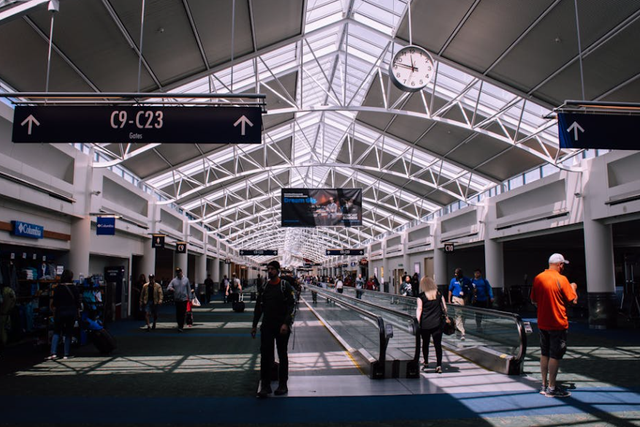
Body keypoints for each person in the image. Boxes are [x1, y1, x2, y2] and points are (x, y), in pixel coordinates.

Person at [530, 253, 578, 398]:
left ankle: (544, 384)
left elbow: (533, 300)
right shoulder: (561, 279)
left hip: (542, 322)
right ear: (560, 265)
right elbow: (573, 300)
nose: (563, 267)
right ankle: (552, 387)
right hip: (557, 323)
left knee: (544, 353)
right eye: (563, 265)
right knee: (555, 355)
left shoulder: (538, 278)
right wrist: (573, 287)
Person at [251, 260, 296, 398]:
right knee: (265, 356)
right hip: (267, 326)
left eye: (272, 269)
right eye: (268, 269)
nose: (269, 271)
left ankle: (283, 384)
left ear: (278, 270)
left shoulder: (285, 286)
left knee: (282, 355)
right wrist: (254, 325)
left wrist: (286, 323)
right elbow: (258, 308)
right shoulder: (264, 287)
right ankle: (266, 386)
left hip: (281, 326)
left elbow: (292, 306)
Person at [416, 276, 447, 373]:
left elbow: (420, 309)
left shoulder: (421, 296)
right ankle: (439, 365)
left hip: (425, 324)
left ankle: (425, 362)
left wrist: (418, 321)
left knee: (425, 343)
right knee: (438, 345)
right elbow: (445, 308)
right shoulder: (439, 295)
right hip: (437, 323)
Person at [47, 269, 81, 360]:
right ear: (71, 278)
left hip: (60, 312)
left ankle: (53, 352)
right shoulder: (75, 288)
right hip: (71, 312)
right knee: (68, 333)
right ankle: (66, 353)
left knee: (57, 331)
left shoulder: (58, 288)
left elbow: (54, 302)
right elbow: (78, 303)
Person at [448, 268, 472, 341]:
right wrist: (449, 300)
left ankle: (458, 328)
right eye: (455, 273)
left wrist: (471, 297)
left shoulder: (466, 280)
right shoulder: (453, 280)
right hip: (456, 299)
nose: (455, 274)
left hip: (464, 299)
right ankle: (462, 332)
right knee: (458, 314)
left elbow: (471, 289)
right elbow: (450, 290)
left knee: (462, 315)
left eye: (457, 273)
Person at [167, 267, 193, 332]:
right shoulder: (174, 280)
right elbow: (168, 287)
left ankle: (181, 325)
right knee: (178, 313)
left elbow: (189, 290)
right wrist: (171, 289)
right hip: (177, 299)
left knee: (183, 312)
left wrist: (190, 298)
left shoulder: (186, 280)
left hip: (184, 299)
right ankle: (179, 324)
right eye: (177, 272)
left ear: (181, 272)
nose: (178, 273)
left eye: (179, 272)